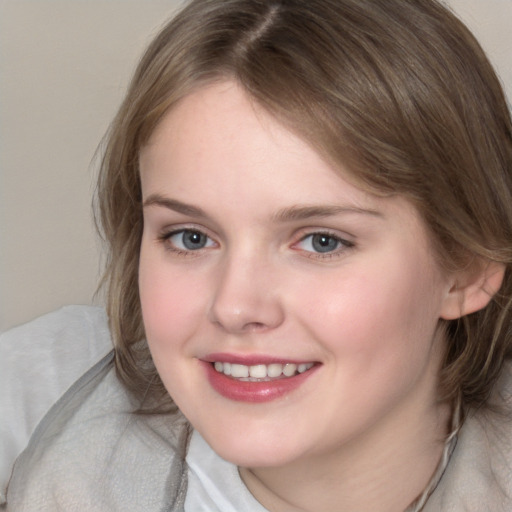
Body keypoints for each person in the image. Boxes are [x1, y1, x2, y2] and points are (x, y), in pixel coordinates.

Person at [3, 0, 512, 510]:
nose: (235, 306)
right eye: (190, 237)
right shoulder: (45, 387)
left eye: (321, 241)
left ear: (467, 267)